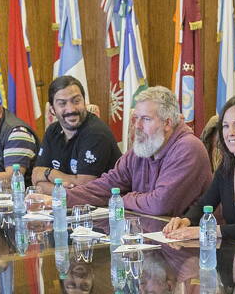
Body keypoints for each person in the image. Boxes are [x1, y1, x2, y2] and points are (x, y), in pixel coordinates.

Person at [68, 86, 212, 218]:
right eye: (136, 118)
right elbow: (107, 186)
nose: (137, 126)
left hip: (196, 241)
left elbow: (160, 205)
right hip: (152, 235)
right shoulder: (144, 146)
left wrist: (125, 198)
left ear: (167, 123)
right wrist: (63, 198)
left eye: (146, 119)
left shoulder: (188, 148)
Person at [159, 93, 235, 245]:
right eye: (225, 126)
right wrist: (185, 220)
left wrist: (208, 230)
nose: (230, 132)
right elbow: (204, 204)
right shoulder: (226, 168)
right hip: (234, 252)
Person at [30, 75, 118, 189]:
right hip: (66, 204)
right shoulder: (52, 131)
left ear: (84, 102)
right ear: (52, 109)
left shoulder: (96, 133)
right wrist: (61, 186)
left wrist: (48, 174)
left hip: (104, 205)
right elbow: (36, 177)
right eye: (62, 103)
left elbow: (84, 188)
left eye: (76, 101)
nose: (71, 109)